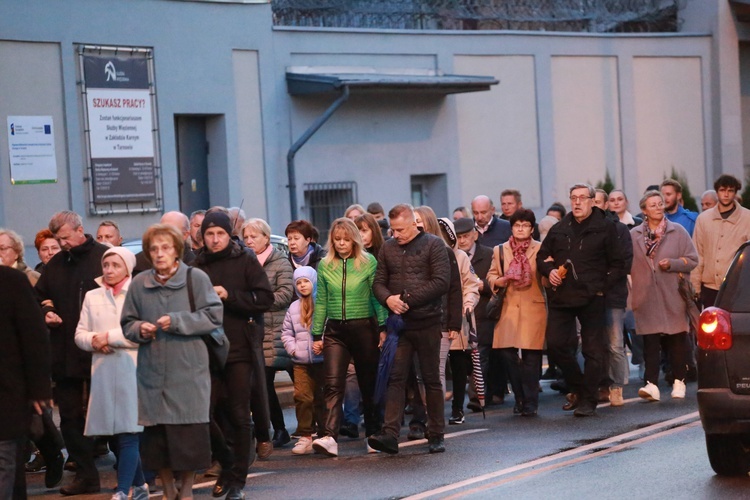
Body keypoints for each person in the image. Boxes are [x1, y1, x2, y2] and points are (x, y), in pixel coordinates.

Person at [122, 224, 223, 500]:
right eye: (154, 249)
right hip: (152, 372)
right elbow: (127, 323)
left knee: (188, 436)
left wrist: (177, 321)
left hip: (189, 370)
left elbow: (214, 316)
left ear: (177, 250)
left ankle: (187, 490)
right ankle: (168, 490)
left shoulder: (196, 278)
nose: (159, 253)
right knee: (157, 439)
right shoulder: (139, 284)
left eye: (165, 247)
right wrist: (140, 328)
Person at [194, 212, 274, 499]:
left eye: (220, 234)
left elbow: (265, 299)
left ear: (230, 235)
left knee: (239, 414)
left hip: (238, 347)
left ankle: (236, 480)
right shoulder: (197, 265)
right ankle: (227, 463)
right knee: (206, 413)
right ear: (201, 237)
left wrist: (230, 296)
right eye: (209, 234)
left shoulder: (246, 260)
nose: (215, 239)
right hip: (205, 349)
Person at [35, 211, 108, 495]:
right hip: (65, 350)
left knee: (110, 414)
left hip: (101, 348)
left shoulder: (103, 256)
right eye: (58, 239)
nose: (62, 244)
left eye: (65, 238)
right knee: (69, 417)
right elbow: (39, 294)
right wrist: (47, 310)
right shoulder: (56, 264)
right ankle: (86, 474)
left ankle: (135, 472)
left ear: (80, 230)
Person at [537, 184, 625, 417]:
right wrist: (549, 271)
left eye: (582, 198)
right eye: (573, 198)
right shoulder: (560, 228)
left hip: (592, 297)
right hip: (562, 296)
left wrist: (601, 288)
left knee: (593, 351)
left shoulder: (605, 228)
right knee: (556, 345)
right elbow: (541, 257)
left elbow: (619, 264)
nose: (576, 202)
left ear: (591, 201)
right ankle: (578, 387)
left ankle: (589, 399)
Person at [369, 204, 450, 454]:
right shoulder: (388, 247)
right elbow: (378, 282)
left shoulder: (434, 245)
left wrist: (406, 300)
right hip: (400, 325)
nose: (396, 235)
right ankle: (390, 434)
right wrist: (389, 300)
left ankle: (436, 433)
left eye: (401, 230)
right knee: (396, 378)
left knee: (430, 379)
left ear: (414, 224)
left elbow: (441, 282)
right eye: (393, 230)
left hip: (427, 321)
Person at [74, 247, 148, 500]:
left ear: (127, 267)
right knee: (118, 435)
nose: (109, 270)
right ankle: (139, 486)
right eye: (106, 265)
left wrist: (110, 338)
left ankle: (122, 490)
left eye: (115, 265)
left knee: (128, 432)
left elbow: (142, 333)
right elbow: (80, 333)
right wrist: (94, 340)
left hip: (132, 371)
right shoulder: (93, 296)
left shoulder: (139, 294)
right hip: (104, 373)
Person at [310, 218, 387, 457]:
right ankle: (330, 437)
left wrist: (383, 326)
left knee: (368, 383)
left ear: (353, 239)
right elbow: (321, 299)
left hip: (365, 328)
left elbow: (376, 296)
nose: (341, 243)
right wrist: (316, 333)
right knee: (332, 383)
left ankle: (373, 435)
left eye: (345, 239)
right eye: (337, 239)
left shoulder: (368, 262)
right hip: (335, 331)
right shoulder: (324, 265)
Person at [630, 191, 698, 401]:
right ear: (644, 210)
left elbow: (693, 259)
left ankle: (679, 381)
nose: (658, 207)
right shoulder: (634, 235)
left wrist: (673, 263)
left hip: (672, 292)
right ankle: (651, 385)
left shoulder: (677, 231)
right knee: (650, 341)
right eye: (653, 205)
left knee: (676, 338)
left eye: (660, 203)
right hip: (646, 294)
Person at [487, 209, 547, 416]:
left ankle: (530, 402)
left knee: (531, 358)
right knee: (507, 353)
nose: (520, 229)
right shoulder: (500, 250)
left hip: (533, 307)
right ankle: (519, 396)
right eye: (516, 225)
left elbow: (546, 278)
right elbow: (491, 276)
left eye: (525, 225)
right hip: (508, 308)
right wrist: (499, 281)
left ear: (532, 228)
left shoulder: (541, 249)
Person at [242, 218, 295, 449]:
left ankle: (313, 426)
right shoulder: (244, 263)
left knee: (302, 383)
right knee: (262, 384)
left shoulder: (280, 261)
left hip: (282, 330)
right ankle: (279, 429)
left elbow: (285, 293)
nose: (249, 241)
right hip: (258, 332)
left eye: (254, 236)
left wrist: (256, 301)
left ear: (266, 237)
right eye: (246, 237)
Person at [0, 266, 52, 499]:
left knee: (5, 461)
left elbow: (34, 337)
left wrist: (39, 389)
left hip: (8, 391)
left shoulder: (11, 281)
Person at [454, 217, 499, 410]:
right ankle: (478, 396)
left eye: (466, 236)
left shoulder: (488, 254)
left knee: (479, 355)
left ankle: (477, 398)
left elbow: (497, 279)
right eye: (459, 237)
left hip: (482, 312)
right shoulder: (451, 255)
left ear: (475, 234)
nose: (462, 240)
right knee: (462, 359)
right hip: (458, 314)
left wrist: (484, 285)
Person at [437, 217, 479, 425]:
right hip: (435, 318)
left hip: (457, 315)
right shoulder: (431, 254)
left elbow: (471, 284)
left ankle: (457, 408)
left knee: (459, 364)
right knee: (435, 368)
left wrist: (468, 303)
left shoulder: (460, 256)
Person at [593, 190, 633, 406]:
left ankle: (616, 386)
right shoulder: (583, 230)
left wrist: (602, 283)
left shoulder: (618, 229)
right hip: (589, 296)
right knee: (592, 344)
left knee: (615, 344)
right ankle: (599, 385)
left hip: (613, 294)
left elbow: (625, 263)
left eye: (599, 202)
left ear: (606, 204)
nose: (595, 205)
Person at [281, 267, 325, 455]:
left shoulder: (323, 303)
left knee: (322, 398)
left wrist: (323, 343)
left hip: (322, 359)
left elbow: (330, 326)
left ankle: (325, 434)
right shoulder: (293, 307)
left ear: (314, 281)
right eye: (298, 282)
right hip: (300, 361)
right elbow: (286, 333)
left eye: (306, 281)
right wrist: (293, 349)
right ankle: (306, 435)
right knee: (302, 396)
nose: (302, 285)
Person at [692, 174, 750, 309]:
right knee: (711, 327)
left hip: (738, 288)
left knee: (736, 327)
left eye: (730, 191)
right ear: (717, 192)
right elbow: (698, 253)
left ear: (735, 193)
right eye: (722, 190)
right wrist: (695, 286)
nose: (726, 194)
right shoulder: (704, 219)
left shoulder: (747, 218)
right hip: (709, 287)